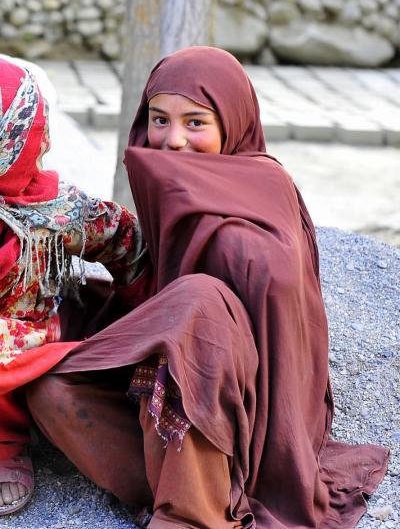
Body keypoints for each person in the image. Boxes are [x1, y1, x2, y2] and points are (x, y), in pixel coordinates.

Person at [25, 46, 388, 528]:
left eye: (195, 122)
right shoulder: (174, 184)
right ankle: (180, 484)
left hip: (251, 411)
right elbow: (158, 286)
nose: (172, 141)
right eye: (159, 119)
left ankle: (191, 514)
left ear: (231, 124)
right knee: (50, 387)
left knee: (197, 308)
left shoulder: (265, 190)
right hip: (177, 372)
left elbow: (287, 337)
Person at [0, 57, 145, 514]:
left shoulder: (56, 211)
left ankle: (5, 442)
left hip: (23, 338)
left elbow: (126, 241)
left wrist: (146, 313)